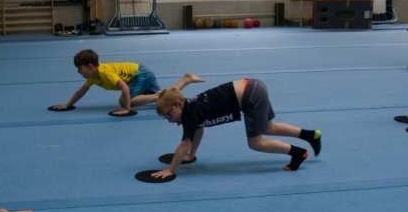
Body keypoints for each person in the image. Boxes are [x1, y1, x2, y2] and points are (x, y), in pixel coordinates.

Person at [151, 78, 322, 179]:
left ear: (178, 104)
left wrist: (170, 170)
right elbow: (198, 130)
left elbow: (184, 144)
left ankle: (298, 153)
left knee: (255, 143)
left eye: (168, 115)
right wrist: (191, 155)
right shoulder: (189, 107)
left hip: (250, 95)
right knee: (268, 127)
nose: (169, 120)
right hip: (253, 86)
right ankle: (310, 135)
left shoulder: (190, 114)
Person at [52, 49, 204, 116]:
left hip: (140, 75)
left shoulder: (104, 73)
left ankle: (158, 95)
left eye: (80, 69)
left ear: (91, 66)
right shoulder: (93, 76)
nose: (79, 72)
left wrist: (126, 108)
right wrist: (68, 104)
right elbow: (81, 91)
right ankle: (186, 79)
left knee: (124, 100)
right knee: (165, 99)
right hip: (142, 73)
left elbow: (124, 86)